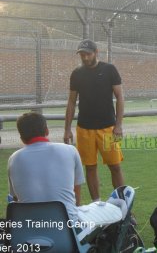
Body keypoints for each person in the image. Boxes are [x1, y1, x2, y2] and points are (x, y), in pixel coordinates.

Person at [64, 39, 125, 202]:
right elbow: (71, 102)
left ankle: (123, 204)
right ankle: (96, 204)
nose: (84, 57)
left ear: (96, 52)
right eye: (82, 54)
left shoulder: (109, 70)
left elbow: (119, 97)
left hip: (108, 128)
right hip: (84, 128)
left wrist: (118, 125)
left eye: (87, 54)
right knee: (90, 167)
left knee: (115, 167)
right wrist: (67, 129)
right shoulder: (76, 73)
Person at [8, 112, 85, 221]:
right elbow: (76, 196)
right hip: (67, 226)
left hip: (28, 228)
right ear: (47, 131)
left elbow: (15, 198)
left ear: (21, 138)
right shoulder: (70, 150)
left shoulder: (14, 158)